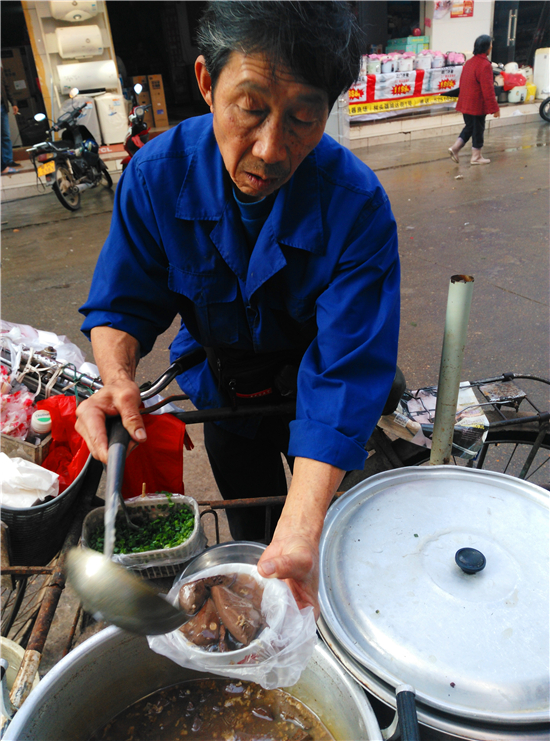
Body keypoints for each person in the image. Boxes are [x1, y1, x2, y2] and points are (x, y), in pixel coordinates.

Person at [76, 1, 400, 616]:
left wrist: (302, 528)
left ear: (328, 109)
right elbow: (123, 301)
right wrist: (116, 377)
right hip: (225, 392)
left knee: (324, 541)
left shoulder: (357, 205)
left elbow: (346, 369)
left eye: (303, 118)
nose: (271, 149)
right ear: (206, 81)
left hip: (317, 397)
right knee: (252, 531)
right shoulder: (154, 178)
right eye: (250, 108)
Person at [448, 34, 500, 165]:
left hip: (466, 103)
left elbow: (463, 83)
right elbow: (488, 89)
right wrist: (494, 108)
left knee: (470, 127)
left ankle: (455, 148)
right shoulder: (485, 65)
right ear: (486, 48)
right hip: (477, 105)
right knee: (478, 130)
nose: (491, 47)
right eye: (490, 45)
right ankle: (476, 157)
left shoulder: (469, 62)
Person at [1, 64, 21, 175]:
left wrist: (13, 103)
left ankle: (8, 160)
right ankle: (2, 165)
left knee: (6, 135)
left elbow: (7, 88)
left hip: (2, 106)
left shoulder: (0, 70)